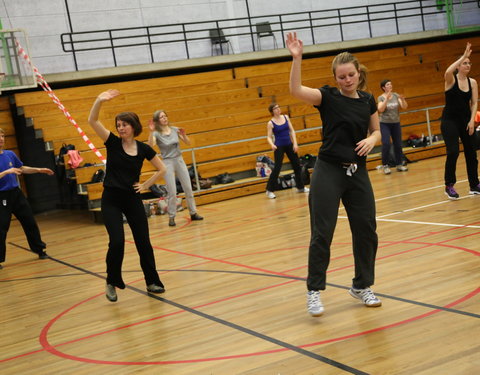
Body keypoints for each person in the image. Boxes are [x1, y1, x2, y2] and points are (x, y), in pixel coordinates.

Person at [286, 32, 382, 317]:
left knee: (366, 229)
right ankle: (314, 291)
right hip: (328, 170)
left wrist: (373, 140)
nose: (346, 80)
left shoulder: (367, 100)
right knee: (322, 233)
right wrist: (297, 59)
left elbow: (376, 130)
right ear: (336, 77)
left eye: (350, 75)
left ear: (358, 73)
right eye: (341, 77)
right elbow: (295, 91)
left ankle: (362, 285)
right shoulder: (326, 96)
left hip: (357, 172)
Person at [88, 89, 167, 302]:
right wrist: (99, 99)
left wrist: (145, 185)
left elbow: (162, 169)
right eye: (118, 125)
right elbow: (92, 120)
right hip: (111, 199)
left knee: (143, 242)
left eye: (124, 124)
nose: (120, 128)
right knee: (117, 242)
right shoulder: (112, 142)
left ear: (133, 126)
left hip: (132, 199)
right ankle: (112, 281)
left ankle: (152, 281)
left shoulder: (143, 148)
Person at [0, 127, 53, 269]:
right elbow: (9, 172)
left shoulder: (10, 154)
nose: (1, 139)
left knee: (29, 221)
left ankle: (39, 250)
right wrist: (6, 172)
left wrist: (38, 170)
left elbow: (22, 168)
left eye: (2, 136)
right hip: (2, 197)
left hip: (16, 194)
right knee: (1, 227)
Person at [148, 110, 203, 227]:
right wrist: (151, 132)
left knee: (188, 187)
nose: (164, 118)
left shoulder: (175, 129)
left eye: (165, 116)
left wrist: (184, 135)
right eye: (161, 117)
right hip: (167, 162)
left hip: (179, 160)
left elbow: (188, 143)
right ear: (157, 121)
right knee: (172, 191)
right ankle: (171, 217)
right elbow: (150, 146)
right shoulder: (156, 134)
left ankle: (193, 212)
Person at [441, 42, 479, 199]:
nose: (468, 64)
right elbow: (447, 71)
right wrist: (463, 55)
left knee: (471, 153)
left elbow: (474, 102)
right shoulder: (450, 80)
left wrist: (472, 121)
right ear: (458, 66)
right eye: (465, 63)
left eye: (469, 62)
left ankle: (474, 185)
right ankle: (449, 185)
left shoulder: (473, 82)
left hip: (465, 121)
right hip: (449, 120)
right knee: (453, 151)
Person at [265, 103, 309, 199]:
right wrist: (272, 144)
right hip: (279, 146)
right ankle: (269, 190)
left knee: (296, 165)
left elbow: (292, 131)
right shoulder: (270, 123)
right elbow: (268, 137)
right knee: (277, 167)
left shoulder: (286, 117)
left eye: (278, 107)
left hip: (289, 144)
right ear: (272, 111)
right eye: (275, 108)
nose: (278, 109)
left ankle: (300, 187)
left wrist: (295, 143)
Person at [377, 79, 408, 174]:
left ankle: (399, 164)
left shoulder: (396, 95)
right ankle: (385, 165)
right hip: (384, 124)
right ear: (383, 87)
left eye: (391, 84)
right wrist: (387, 98)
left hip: (396, 123)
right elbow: (380, 109)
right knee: (386, 143)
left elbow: (404, 107)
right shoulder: (381, 98)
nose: (390, 85)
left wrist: (402, 100)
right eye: (388, 84)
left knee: (398, 144)